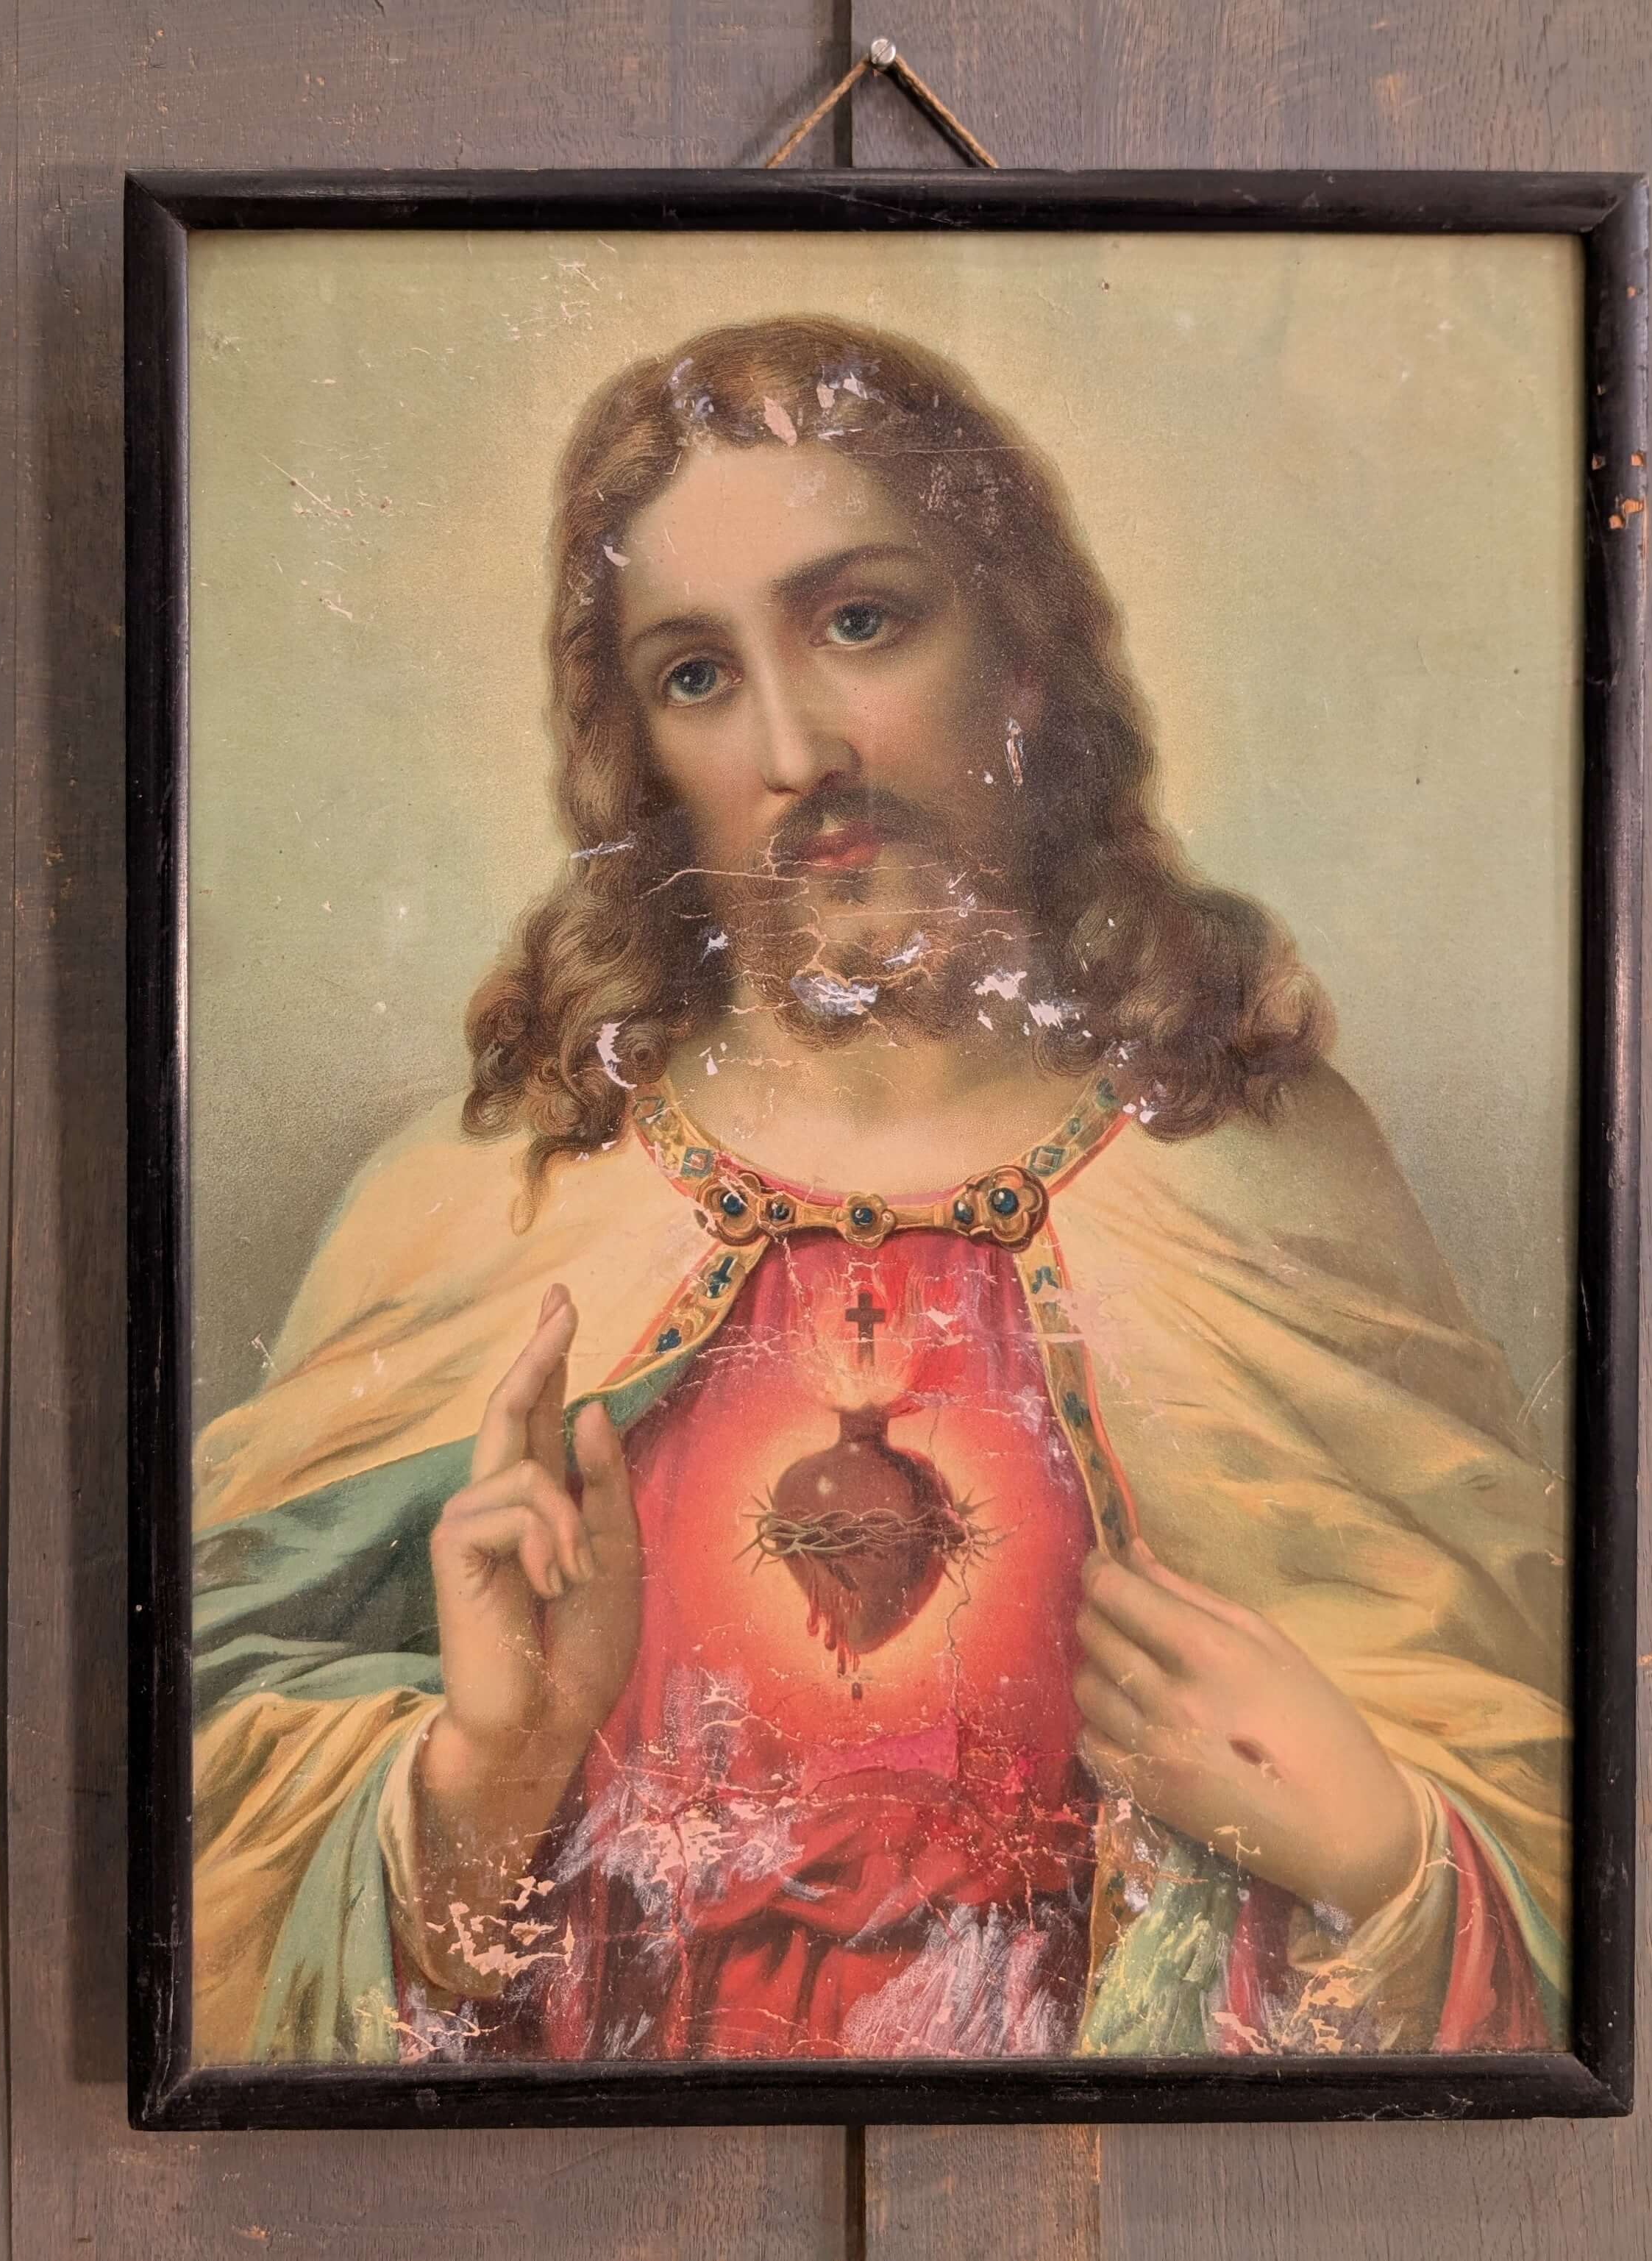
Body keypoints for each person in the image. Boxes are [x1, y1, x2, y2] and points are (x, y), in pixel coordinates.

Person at [188, 315, 1568, 2066]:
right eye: (699, 675)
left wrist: (1381, 1854)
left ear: (1023, 658)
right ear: (642, 758)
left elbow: (1546, 1832)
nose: (798, 748)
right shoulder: (478, 1208)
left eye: (859, 622)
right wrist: (484, 1779)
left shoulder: (1256, 1174)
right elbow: (205, 1881)